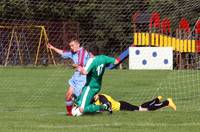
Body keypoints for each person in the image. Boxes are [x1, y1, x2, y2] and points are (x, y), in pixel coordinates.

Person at [48, 38, 91, 116]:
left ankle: (95, 106)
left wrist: (76, 65)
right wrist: (53, 48)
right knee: (68, 95)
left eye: (72, 45)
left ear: (78, 45)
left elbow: (84, 66)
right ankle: (70, 113)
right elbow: (63, 53)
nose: (71, 47)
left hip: (83, 77)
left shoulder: (83, 53)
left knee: (78, 97)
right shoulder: (73, 52)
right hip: (76, 76)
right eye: (70, 46)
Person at [72, 49, 120, 116]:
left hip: (90, 86)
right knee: (79, 102)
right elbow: (116, 61)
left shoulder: (92, 60)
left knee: (81, 109)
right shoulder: (103, 58)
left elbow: (85, 72)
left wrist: (78, 68)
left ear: (90, 53)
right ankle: (77, 100)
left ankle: (105, 106)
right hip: (97, 86)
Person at [93, 94, 177, 112]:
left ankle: (167, 102)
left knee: (144, 110)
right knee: (140, 107)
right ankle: (156, 100)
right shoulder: (94, 100)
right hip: (121, 105)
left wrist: (100, 111)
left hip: (123, 107)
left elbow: (108, 106)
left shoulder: (101, 97)